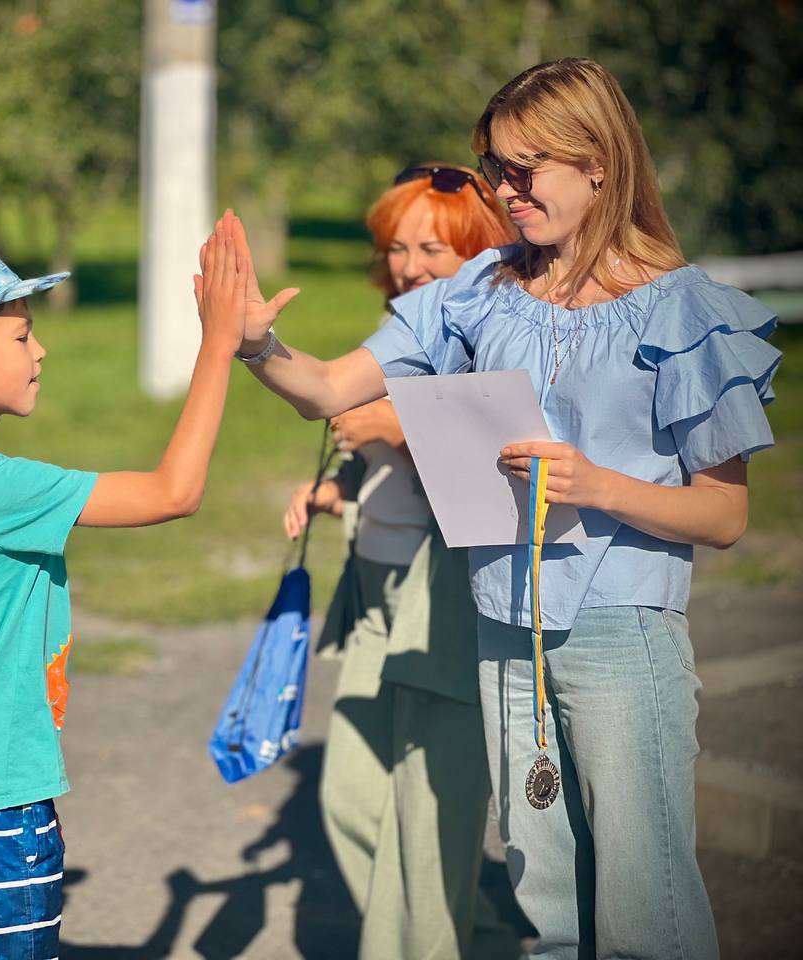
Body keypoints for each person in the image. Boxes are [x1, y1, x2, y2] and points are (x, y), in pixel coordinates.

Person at [232, 58, 780, 958]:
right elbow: (327, 388)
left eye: (525, 169)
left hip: (621, 634)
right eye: (495, 167)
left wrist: (598, 485)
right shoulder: (476, 290)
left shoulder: (683, 313)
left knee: (646, 910)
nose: (505, 190)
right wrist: (257, 344)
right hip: (501, 626)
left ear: (598, 162)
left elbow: (724, 517)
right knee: (546, 903)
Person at [0, 213, 247, 959]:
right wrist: (218, 344)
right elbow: (174, 492)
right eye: (21, 336)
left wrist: (180, 908)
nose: (40, 349)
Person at [281, 164, 520, 959]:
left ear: (478, 252)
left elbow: (502, 473)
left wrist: (398, 428)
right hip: (373, 589)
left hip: (441, 595)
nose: (409, 266)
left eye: (432, 250)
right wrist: (340, 489)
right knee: (351, 800)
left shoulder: (492, 330)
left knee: (427, 828)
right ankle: (487, 944)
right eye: (396, 247)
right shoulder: (401, 334)